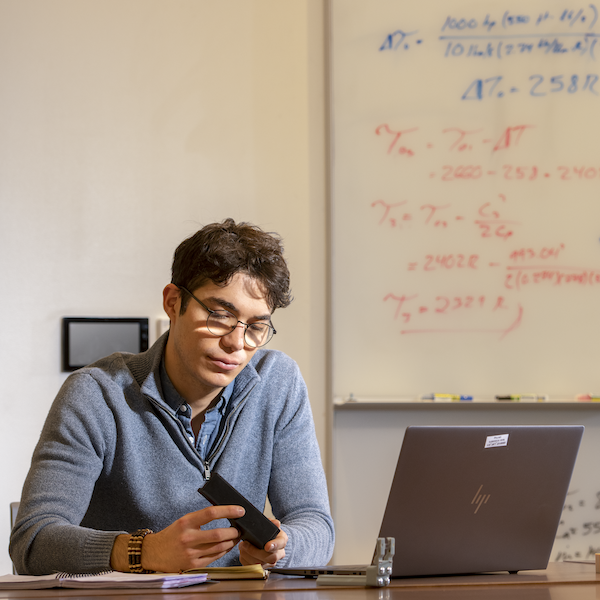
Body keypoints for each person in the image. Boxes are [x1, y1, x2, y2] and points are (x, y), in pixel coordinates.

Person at [10, 218, 334, 575]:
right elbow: (33, 541)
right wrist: (141, 551)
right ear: (173, 301)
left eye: (256, 327)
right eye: (218, 315)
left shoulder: (279, 382)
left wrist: (281, 547)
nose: (236, 343)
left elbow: (316, 524)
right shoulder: (97, 394)